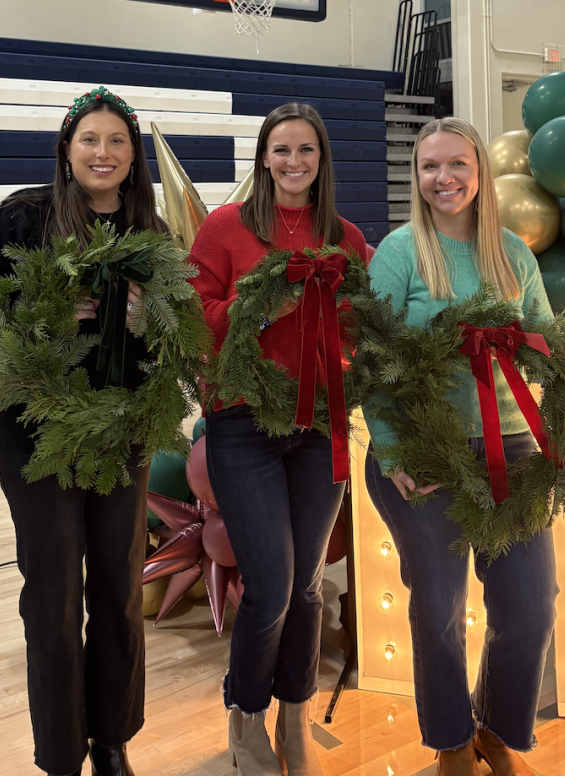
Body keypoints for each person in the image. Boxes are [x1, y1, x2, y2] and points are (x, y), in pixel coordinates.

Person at [0, 87, 167, 776]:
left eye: (117, 142)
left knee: (119, 588)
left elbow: (175, 342)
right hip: (35, 436)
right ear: (67, 150)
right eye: (90, 140)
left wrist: (147, 323)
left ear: (134, 158)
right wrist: (38, 313)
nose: (103, 154)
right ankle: (61, 753)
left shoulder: (149, 235)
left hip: (122, 436)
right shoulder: (22, 217)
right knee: (53, 594)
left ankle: (111, 740)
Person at [364, 118, 556, 776]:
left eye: (457, 165)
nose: (443, 178)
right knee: (439, 605)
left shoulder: (511, 253)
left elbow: (546, 342)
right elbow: (374, 356)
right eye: (429, 167)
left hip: (511, 450)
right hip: (424, 452)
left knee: (530, 605)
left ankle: (499, 729)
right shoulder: (398, 253)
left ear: (480, 174)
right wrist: (392, 453)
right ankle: (450, 740)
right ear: (416, 178)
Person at [189, 103, 368, 776]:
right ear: (263, 158)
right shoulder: (226, 227)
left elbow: (356, 328)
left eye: (307, 152)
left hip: (319, 426)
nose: (295, 162)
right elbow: (198, 316)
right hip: (244, 427)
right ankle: (245, 718)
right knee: (269, 583)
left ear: (322, 162)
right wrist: (261, 303)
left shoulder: (344, 237)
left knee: (307, 587)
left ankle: (296, 717)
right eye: (282, 150)